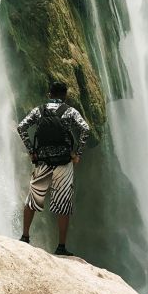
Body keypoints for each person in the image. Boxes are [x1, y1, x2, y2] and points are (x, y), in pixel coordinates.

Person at [16, 80, 90, 256]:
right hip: (64, 164)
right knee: (63, 205)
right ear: (65, 96)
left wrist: (31, 151)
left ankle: (25, 237)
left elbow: (21, 127)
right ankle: (61, 247)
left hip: (43, 162)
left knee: (33, 200)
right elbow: (85, 129)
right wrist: (77, 153)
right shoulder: (70, 112)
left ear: (49, 94)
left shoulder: (39, 110)